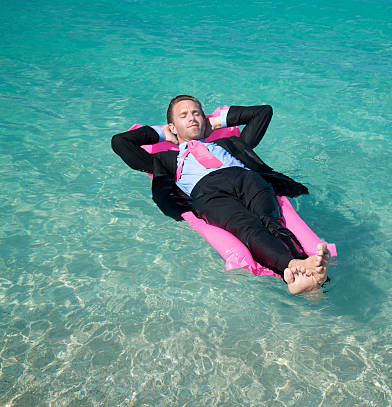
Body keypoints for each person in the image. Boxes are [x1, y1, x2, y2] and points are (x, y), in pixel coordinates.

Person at [111, 95, 329, 294]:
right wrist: (162, 133)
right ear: (172, 126)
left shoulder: (228, 144)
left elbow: (263, 112)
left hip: (247, 179)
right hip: (208, 193)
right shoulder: (166, 160)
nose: (192, 118)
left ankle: (307, 271)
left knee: (272, 221)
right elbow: (120, 142)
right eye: (184, 116)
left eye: (196, 113)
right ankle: (291, 267)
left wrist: (214, 122)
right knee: (246, 226)